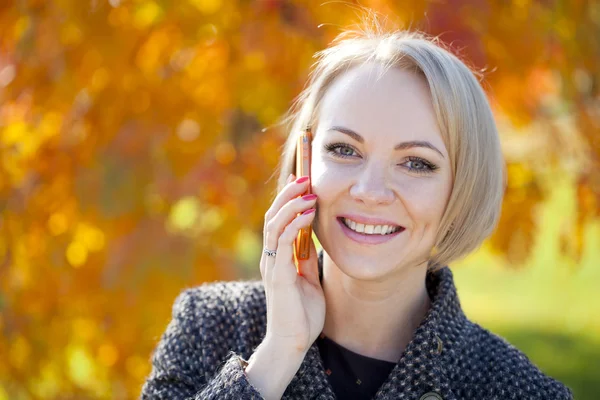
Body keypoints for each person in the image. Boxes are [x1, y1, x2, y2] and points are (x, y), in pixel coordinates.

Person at [140, 19, 574, 400]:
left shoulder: (519, 389)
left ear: (463, 187)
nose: (370, 191)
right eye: (344, 149)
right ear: (303, 165)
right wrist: (274, 358)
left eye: (416, 162)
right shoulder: (206, 326)